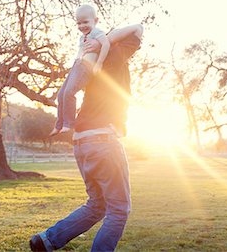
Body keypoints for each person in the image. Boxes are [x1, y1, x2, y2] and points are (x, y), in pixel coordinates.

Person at [30, 23, 143, 252]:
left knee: (97, 205)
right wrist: (107, 39)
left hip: (82, 142)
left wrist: (100, 42)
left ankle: (47, 240)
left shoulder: (90, 61)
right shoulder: (115, 52)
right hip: (103, 141)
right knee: (119, 210)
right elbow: (138, 28)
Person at [50, 4, 111, 136]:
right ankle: (59, 124)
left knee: (69, 92)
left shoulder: (97, 32)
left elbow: (106, 44)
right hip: (77, 65)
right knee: (61, 94)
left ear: (95, 21)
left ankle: (69, 123)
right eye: (79, 23)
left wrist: (99, 63)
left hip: (86, 66)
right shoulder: (82, 36)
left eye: (85, 22)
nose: (82, 26)